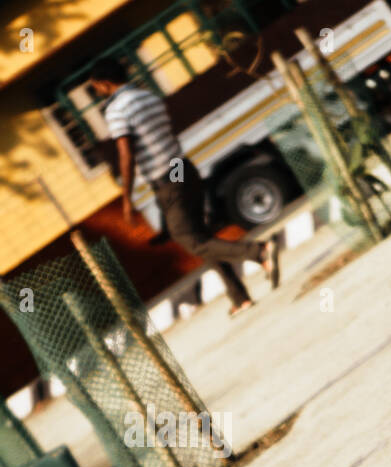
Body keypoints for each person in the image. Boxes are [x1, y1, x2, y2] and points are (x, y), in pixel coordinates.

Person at [87, 58, 280, 317]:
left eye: (96, 87)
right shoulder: (148, 97)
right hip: (181, 166)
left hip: (166, 175)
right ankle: (239, 297)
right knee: (199, 235)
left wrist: (126, 197)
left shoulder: (116, 109)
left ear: (104, 84)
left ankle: (259, 251)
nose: (97, 91)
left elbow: (126, 153)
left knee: (187, 238)